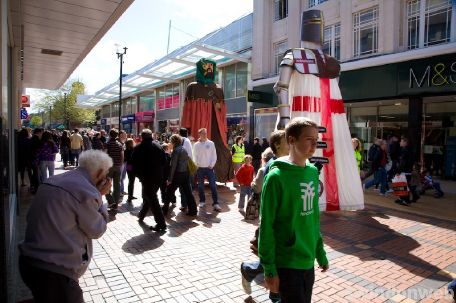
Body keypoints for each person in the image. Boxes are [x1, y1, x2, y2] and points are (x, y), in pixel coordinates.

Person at [274, 9, 363, 211]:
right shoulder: (313, 59)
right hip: (314, 117)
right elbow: (282, 87)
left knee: (306, 156)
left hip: (320, 118)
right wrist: (286, 118)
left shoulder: (324, 61)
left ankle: (312, 198)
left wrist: (285, 118)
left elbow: (281, 87)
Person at [18, 150, 113, 303]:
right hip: (55, 272)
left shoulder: (54, 180)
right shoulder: (87, 191)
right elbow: (97, 229)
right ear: (100, 172)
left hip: (29, 261)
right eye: (106, 174)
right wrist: (100, 197)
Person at [259, 117, 328, 303]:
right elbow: (267, 225)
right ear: (291, 140)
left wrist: (319, 252)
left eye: (316, 139)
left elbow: (313, 218)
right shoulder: (276, 177)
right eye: (308, 139)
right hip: (287, 263)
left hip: (308, 262)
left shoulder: (313, 172)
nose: (314, 144)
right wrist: (269, 269)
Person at [240, 131, 289, 299]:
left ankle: (248, 270)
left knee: (277, 262)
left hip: (284, 223)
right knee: (274, 263)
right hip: (274, 221)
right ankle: (249, 270)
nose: (291, 144)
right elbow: (263, 191)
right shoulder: (272, 165)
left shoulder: (288, 162)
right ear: (277, 145)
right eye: (287, 141)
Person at [131, 129, 167, 232]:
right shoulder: (158, 146)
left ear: (142, 137)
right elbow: (164, 161)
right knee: (150, 196)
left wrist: (139, 176)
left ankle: (161, 223)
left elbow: (134, 165)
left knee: (152, 199)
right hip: (157, 177)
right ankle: (142, 215)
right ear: (151, 136)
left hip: (147, 178)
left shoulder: (138, 148)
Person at [161, 134, 197, 216]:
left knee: (169, 192)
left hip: (178, 174)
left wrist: (170, 179)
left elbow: (173, 166)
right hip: (185, 174)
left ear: (173, 141)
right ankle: (193, 210)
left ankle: (165, 209)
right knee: (188, 193)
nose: (170, 142)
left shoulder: (176, 151)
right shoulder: (184, 149)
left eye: (171, 141)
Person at [193, 128, 221, 212]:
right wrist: (196, 165)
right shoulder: (196, 145)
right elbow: (194, 156)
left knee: (213, 186)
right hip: (200, 168)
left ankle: (216, 203)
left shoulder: (211, 143)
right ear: (199, 134)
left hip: (209, 168)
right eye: (203, 133)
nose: (205, 134)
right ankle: (202, 201)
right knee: (200, 186)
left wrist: (211, 165)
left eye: (205, 133)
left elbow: (214, 155)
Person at [105, 129, 123, 210]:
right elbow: (122, 155)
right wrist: (121, 164)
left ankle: (111, 201)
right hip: (118, 166)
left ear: (109, 135)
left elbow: (105, 155)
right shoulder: (119, 144)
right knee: (117, 185)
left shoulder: (107, 144)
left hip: (109, 167)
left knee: (106, 184)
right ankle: (115, 204)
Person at [179, 128, 193, 210]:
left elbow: (182, 154)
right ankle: (187, 204)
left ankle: (185, 204)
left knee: (183, 187)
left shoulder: (183, 140)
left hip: (184, 167)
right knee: (187, 186)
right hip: (187, 166)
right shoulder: (187, 140)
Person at [124, 138, 137, 203]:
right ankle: (130, 196)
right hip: (133, 166)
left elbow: (125, 160)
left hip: (129, 166)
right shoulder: (134, 150)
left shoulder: (126, 150)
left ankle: (130, 195)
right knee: (132, 181)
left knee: (131, 181)